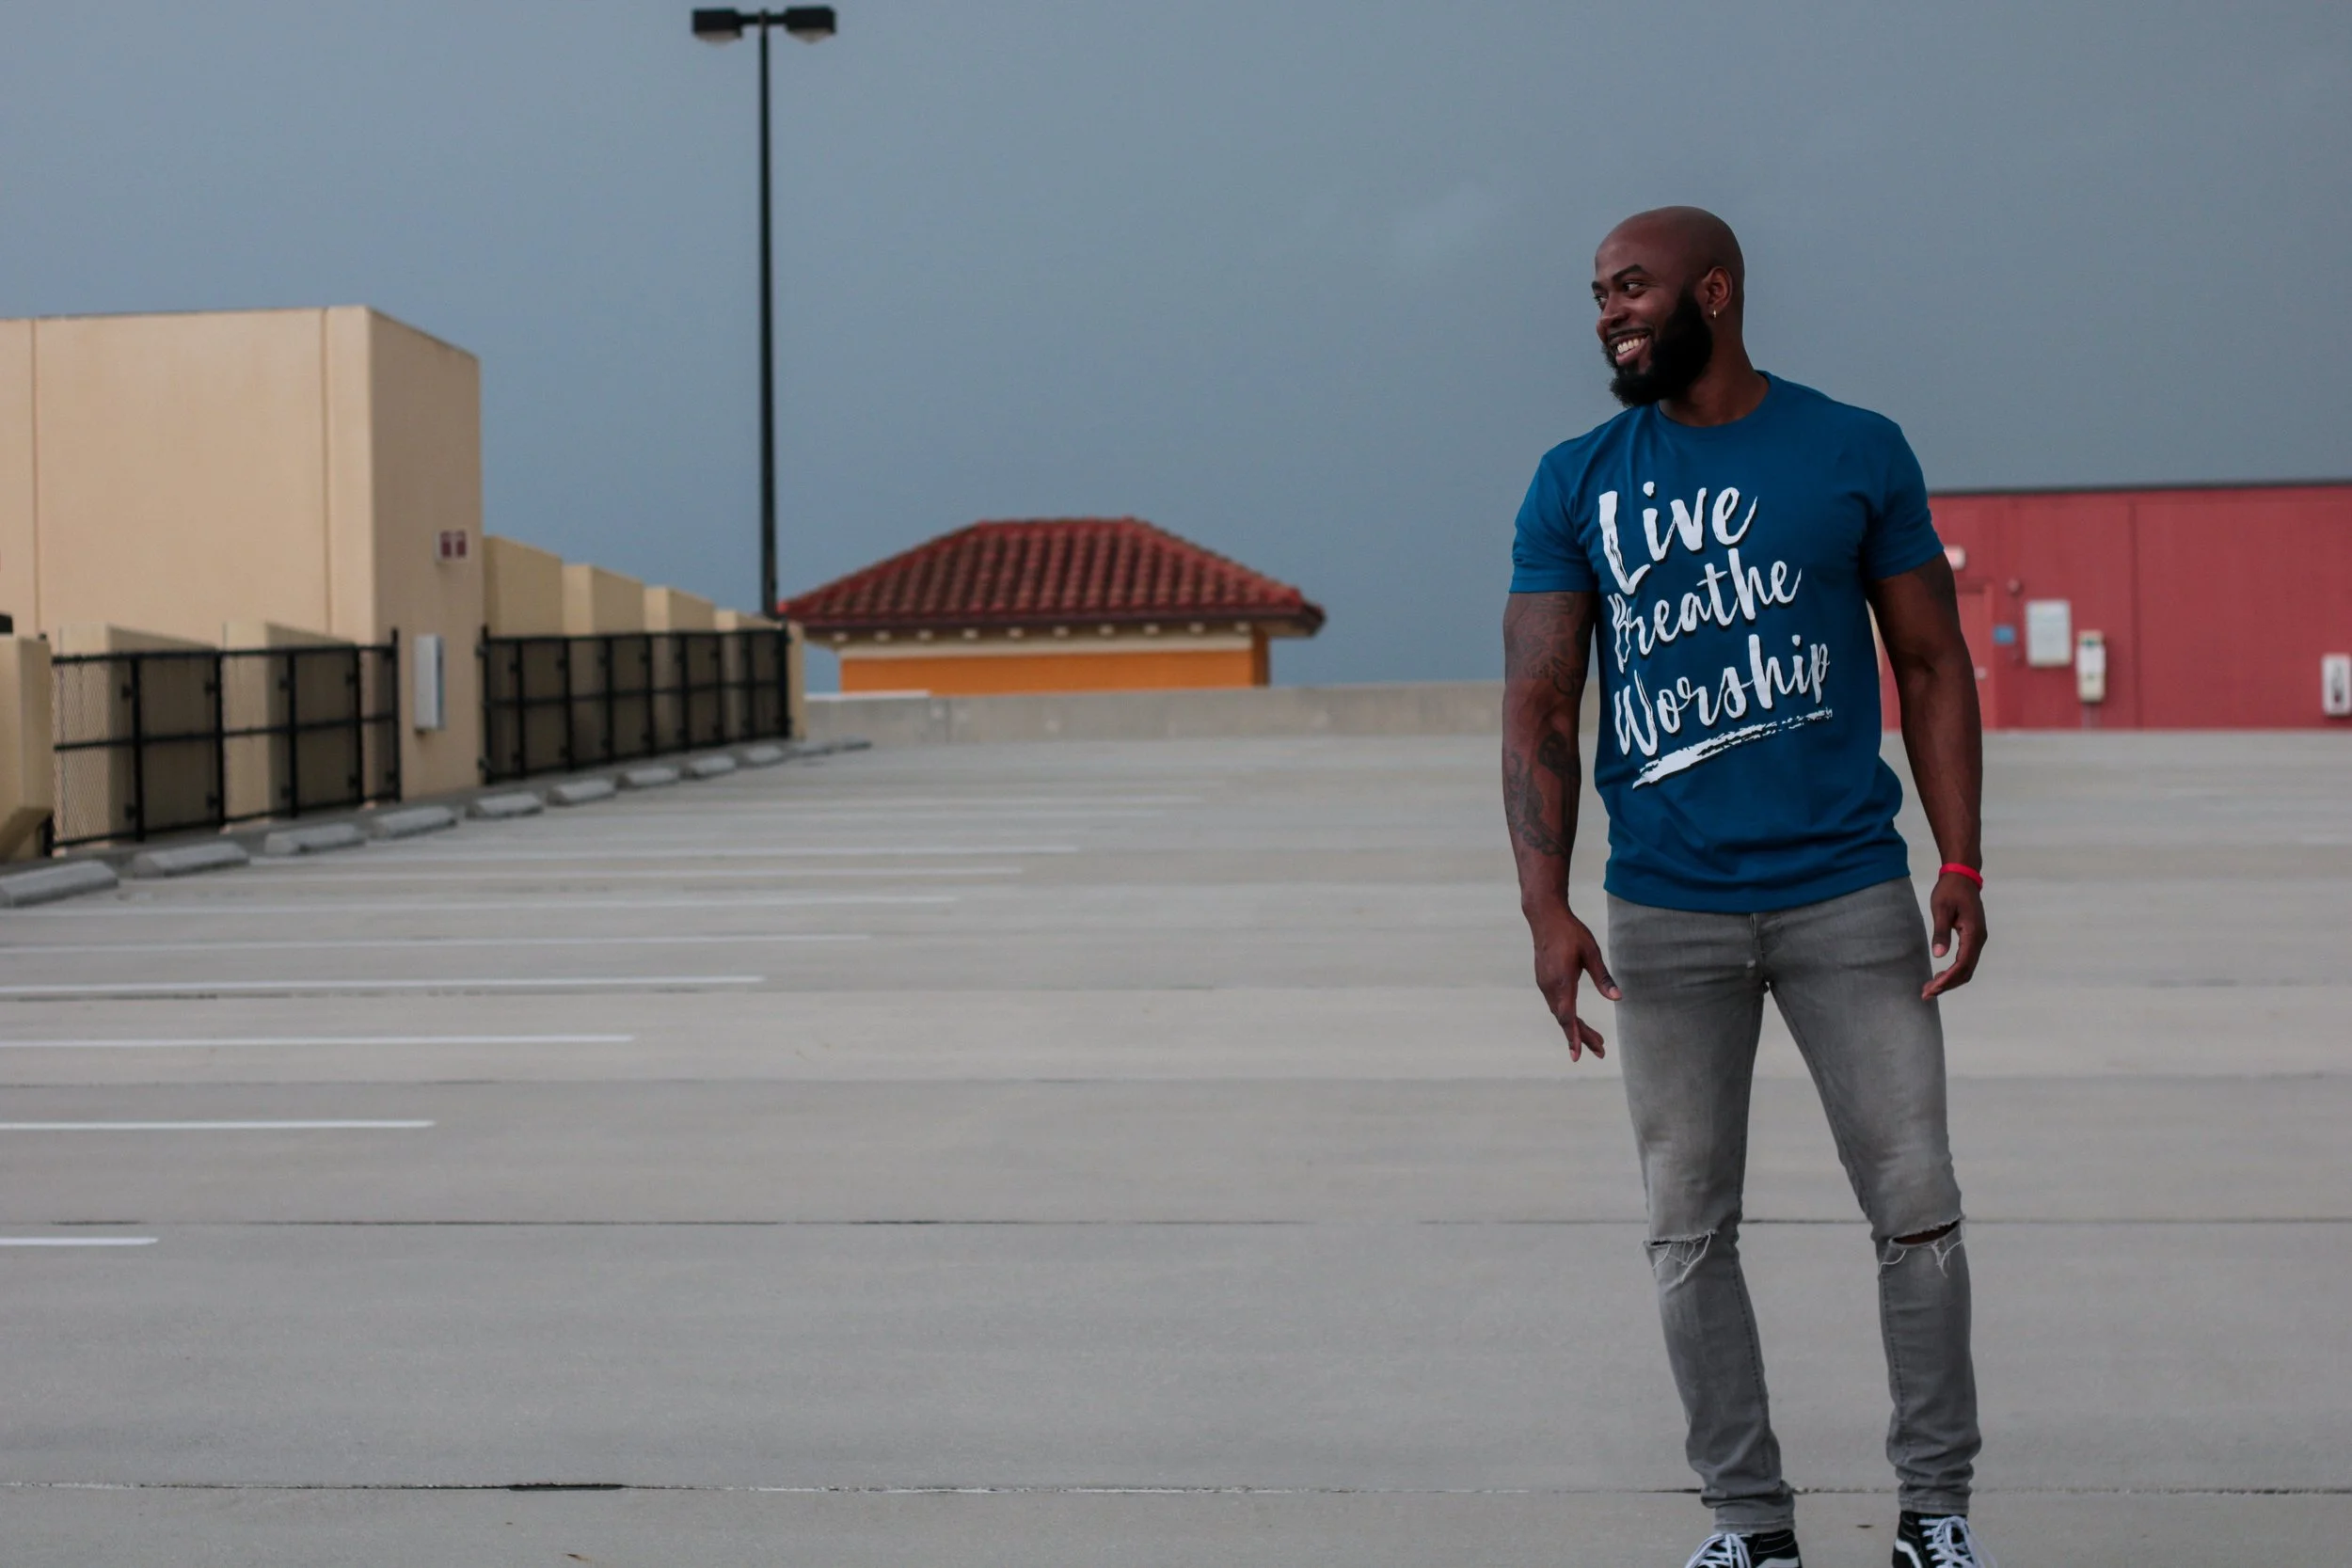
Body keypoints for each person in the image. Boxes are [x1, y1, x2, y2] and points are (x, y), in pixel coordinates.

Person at [1502, 206, 1995, 1568]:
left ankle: (1934, 1513)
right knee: (1686, 1227)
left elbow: (1935, 664)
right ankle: (1748, 1524)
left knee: (1919, 1207)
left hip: (1850, 892)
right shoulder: (1577, 478)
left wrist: (1958, 856)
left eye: (1636, 287)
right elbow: (1542, 697)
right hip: (1665, 907)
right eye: (1599, 291)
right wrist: (1546, 905)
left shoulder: (1853, 449)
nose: (1610, 311)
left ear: (1713, 292)